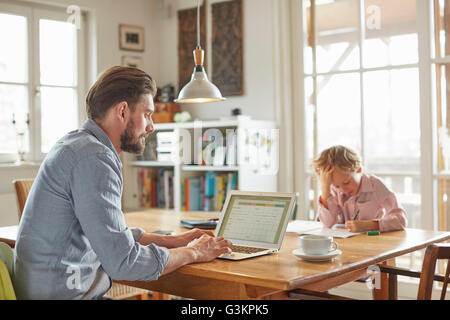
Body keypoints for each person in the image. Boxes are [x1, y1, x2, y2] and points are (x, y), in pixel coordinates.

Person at [13, 66, 232, 299]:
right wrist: (194, 253)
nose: (151, 127)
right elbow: (124, 261)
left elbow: (110, 234)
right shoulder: (95, 158)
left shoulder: (78, 144)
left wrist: (174, 241)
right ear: (123, 111)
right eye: (147, 114)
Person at [313, 145, 407, 233]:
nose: (343, 190)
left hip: (375, 243)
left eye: (347, 182)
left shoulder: (376, 186)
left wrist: (370, 225)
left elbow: (401, 219)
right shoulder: (335, 191)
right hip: (350, 245)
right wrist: (325, 188)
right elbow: (327, 224)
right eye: (337, 186)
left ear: (359, 169)